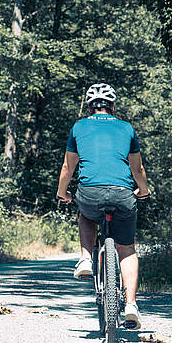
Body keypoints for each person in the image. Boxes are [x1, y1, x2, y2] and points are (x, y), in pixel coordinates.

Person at [56, 82, 150, 329]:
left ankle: (86, 258)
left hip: (90, 192)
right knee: (127, 250)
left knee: (86, 214)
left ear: (89, 107)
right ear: (112, 106)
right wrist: (144, 190)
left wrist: (61, 192)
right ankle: (130, 305)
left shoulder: (79, 127)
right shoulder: (126, 128)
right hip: (122, 193)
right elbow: (137, 168)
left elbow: (68, 167)